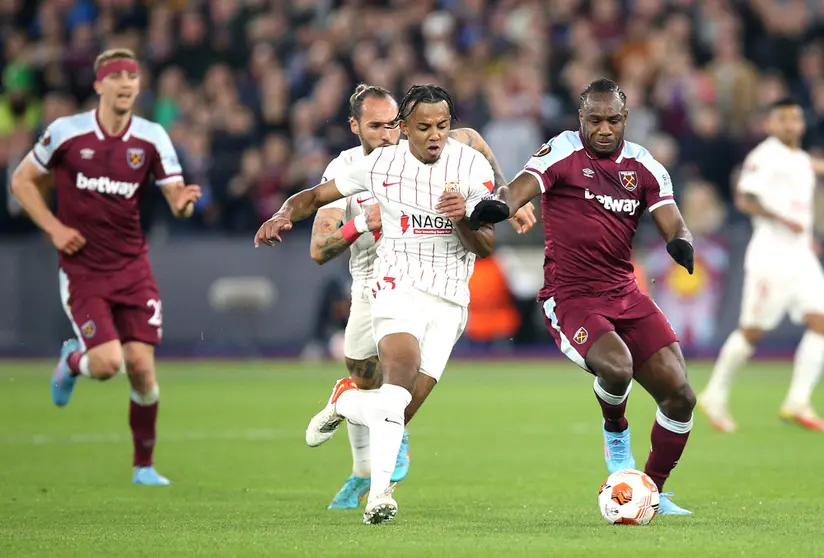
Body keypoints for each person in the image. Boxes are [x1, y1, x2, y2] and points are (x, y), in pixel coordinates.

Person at [256, 84, 499, 524]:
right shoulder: (376, 165)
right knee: (396, 382)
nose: (435, 136)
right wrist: (280, 215)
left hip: (449, 301)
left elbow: (484, 247)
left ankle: (343, 405)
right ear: (406, 129)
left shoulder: (468, 164)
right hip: (391, 285)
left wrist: (466, 214)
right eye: (422, 127)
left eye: (442, 126)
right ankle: (379, 495)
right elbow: (311, 198)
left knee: (396, 410)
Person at [469, 78, 697, 515]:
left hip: (625, 293)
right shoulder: (563, 151)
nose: (605, 129)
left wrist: (680, 243)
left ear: (625, 119)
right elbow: (519, 188)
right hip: (571, 295)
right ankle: (616, 434)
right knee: (618, 367)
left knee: (681, 397)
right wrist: (503, 205)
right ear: (581, 119)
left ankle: (651, 490)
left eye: (613, 120)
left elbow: (673, 220)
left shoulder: (644, 165)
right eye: (595, 120)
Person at [308, 84, 536, 510]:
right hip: (372, 281)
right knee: (367, 378)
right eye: (374, 126)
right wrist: (358, 226)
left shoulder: (442, 144)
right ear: (355, 127)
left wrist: (509, 200)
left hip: (438, 286)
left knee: (398, 400)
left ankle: (373, 470)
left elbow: (476, 142)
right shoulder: (349, 168)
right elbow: (319, 249)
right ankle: (364, 467)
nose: (386, 133)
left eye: (391, 124)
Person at [10, 48, 201, 485]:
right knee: (106, 364)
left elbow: (175, 196)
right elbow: (21, 181)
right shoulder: (66, 133)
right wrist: (55, 229)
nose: (127, 85)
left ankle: (144, 467)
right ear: (100, 85)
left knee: (142, 369)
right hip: (84, 271)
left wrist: (186, 205)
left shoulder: (152, 136)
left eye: (133, 79)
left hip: (133, 268)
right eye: (118, 78)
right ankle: (72, 361)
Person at [699, 98, 824, 432]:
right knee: (753, 331)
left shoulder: (799, 159)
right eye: (781, 119)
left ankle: (797, 399)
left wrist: (806, 233)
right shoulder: (763, 156)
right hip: (771, 256)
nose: (789, 124)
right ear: (770, 124)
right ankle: (715, 393)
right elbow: (746, 198)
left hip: (801, 255)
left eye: (794, 118)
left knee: (821, 321)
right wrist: (784, 220)